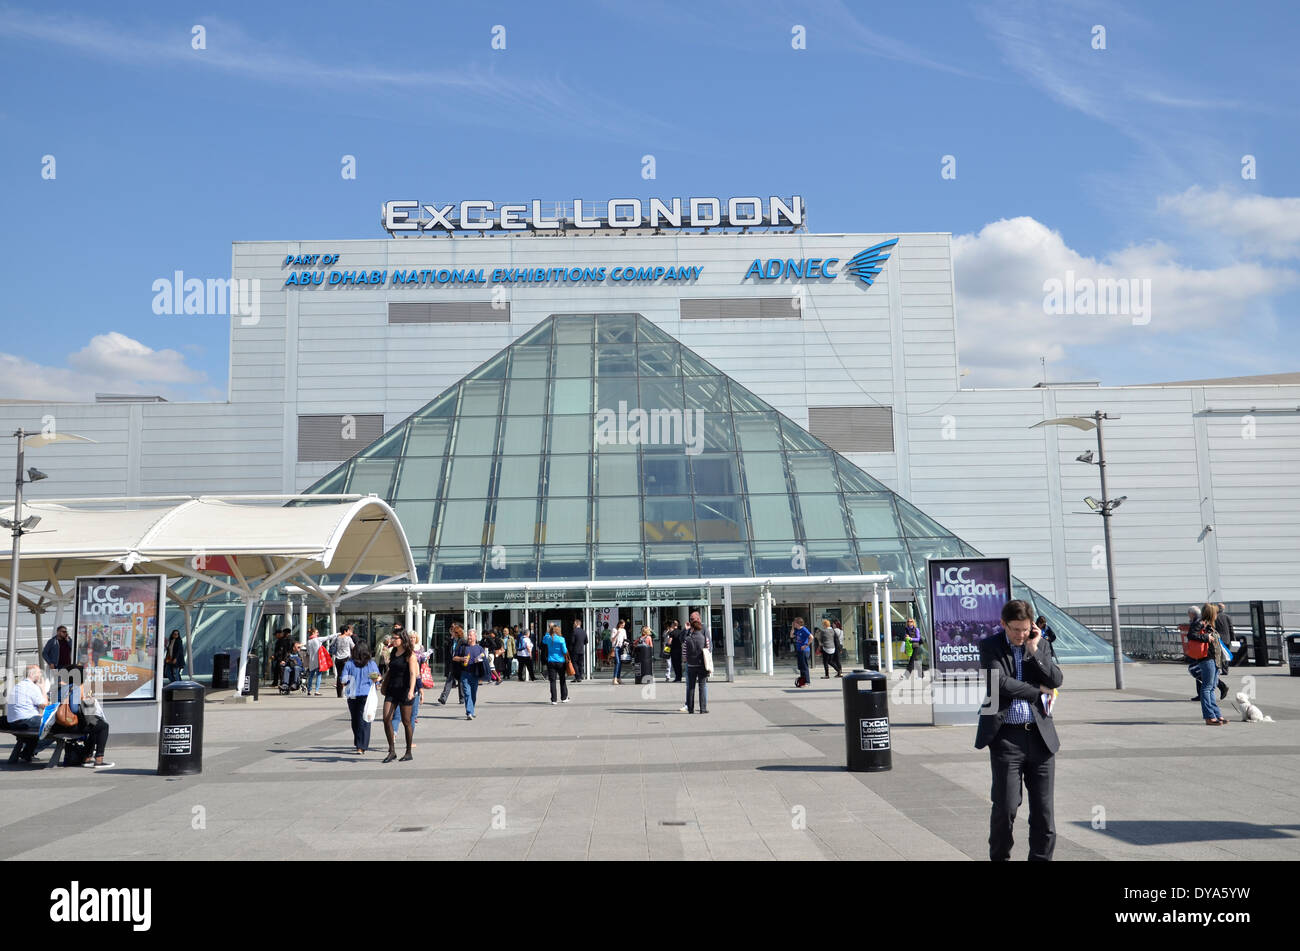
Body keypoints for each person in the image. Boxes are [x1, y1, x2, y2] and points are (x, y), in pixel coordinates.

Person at [974, 600, 1064, 861]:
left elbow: (1056, 680)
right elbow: (999, 683)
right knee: (1006, 807)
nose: (1020, 635)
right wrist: (1038, 692)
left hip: (1041, 739)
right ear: (1003, 624)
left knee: (1044, 812)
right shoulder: (990, 646)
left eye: (1025, 629)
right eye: (1015, 629)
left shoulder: (1041, 644)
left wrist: (1034, 649)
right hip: (1006, 739)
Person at [53, 667, 114, 769]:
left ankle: (87, 758)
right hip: (71, 724)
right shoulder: (75, 688)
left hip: (60, 725)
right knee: (103, 726)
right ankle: (99, 759)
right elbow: (74, 709)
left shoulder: (61, 689)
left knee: (94, 726)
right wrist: (86, 702)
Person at [379, 630, 419, 762]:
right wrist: (381, 678)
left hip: (405, 690)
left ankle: (408, 752)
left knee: (406, 722)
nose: (393, 640)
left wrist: (411, 690)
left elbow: (413, 674)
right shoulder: (393, 653)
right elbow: (391, 670)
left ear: (402, 639)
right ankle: (392, 751)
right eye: (392, 638)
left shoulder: (410, 655)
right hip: (392, 690)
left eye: (395, 638)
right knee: (386, 718)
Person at [1189, 603, 1228, 726]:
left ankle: (1216, 714)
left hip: (1215, 660)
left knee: (1211, 687)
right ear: (1212, 613)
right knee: (1207, 688)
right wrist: (1206, 637)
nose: (1217, 615)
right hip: (1207, 659)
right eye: (1216, 613)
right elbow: (1191, 635)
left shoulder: (1210, 625)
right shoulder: (1201, 623)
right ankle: (1209, 716)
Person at [339, 641, 380, 754]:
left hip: (352, 695)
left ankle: (359, 744)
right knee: (366, 719)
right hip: (366, 694)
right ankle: (362, 745)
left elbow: (344, 679)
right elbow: (375, 679)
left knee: (355, 719)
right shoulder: (370, 664)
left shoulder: (349, 664)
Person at [5, 666, 51, 763]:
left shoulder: (18, 685)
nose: (40, 675)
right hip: (25, 721)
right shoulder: (32, 687)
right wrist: (43, 689)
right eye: (39, 673)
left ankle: (27, 752)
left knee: (40, 725)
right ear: (32, 674)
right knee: (54, 726)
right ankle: (30, 751)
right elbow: (45, 705)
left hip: (13, 722)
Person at [392, 635, 426, 743]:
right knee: (411, 717)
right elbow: (416, 675)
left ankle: (393, 733)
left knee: (397, 716)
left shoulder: (396, 657)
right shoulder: (412, 658)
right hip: (411, 691)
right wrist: (420, 690)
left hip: (398, 690)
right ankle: (409, 741)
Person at [450, 629, 487, 720]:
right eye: (468, 635)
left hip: (475, 674)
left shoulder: (479, 648)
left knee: (473, 694)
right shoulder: (463, 647)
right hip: (464, 673)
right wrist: (462, 658)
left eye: (471, 635)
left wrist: (479, 660)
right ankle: (469, 712)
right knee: (467, 693)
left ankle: (471, 710)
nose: (469, 637)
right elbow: (454, 658)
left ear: (475, 637)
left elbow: (485, 659)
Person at [681, 617, 710, 714]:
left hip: (691, 666)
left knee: (691, 687)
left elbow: (684, 655)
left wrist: (687, 660)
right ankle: (703, 708)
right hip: (702, 665)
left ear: (692, 628)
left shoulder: (687, 639)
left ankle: (690, 708)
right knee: (702, 686)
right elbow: (708, 651)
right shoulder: (704, 639)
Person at [438, 624, 466, 705]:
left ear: (457, 633)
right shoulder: (451, 641)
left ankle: (462, 698)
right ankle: (443, 698)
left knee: (460, 682)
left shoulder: (462, 641)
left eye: (453, 632)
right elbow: (449, 653)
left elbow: (467, 649)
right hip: (452, 664)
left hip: (460, 664)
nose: (451, 634)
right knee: (449, 681)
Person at [543, 623, 571, 704]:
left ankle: (554, 700)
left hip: (551, 661)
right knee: (562, 680)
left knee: (552, 681)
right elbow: (565, 651)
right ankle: (564, 697)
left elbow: (544, 639)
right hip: (560, 662)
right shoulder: (561, 639)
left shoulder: (548, 638)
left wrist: (548, 631)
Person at [331, 624, 356, 698]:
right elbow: (353, 647)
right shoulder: (348, 638)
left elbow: (332, 646)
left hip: (338, 659)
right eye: (348, 630)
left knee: (339, 675)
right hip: (346, 658)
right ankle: (349, 692)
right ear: (345, 631)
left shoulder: (337, 638)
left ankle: (339, 694)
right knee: (349, 675)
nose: (349, 631)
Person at [305, 627, 328, 696]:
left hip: (312, 662)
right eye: (317, 632)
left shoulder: (308, 641)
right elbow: (328, 637)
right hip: (319, 661)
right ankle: (317, 690)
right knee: (319, 676)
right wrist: (337, 634)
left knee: (311, 676)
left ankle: (309, 690)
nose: (318, 633)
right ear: (314, 633)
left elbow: (308, 652)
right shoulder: (318, 639)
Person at [791, 617, 813, 687]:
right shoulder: (797, 630)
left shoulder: (804, 629)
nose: (793, 623)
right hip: (799, 651)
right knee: (801, 667)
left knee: (804, 666)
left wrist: (806, 645)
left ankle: (807, 682)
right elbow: (791, 636)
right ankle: (802, 682)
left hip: (804, 651)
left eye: (794, 622)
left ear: (798, 623)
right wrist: (792, 628)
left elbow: (811, 637)